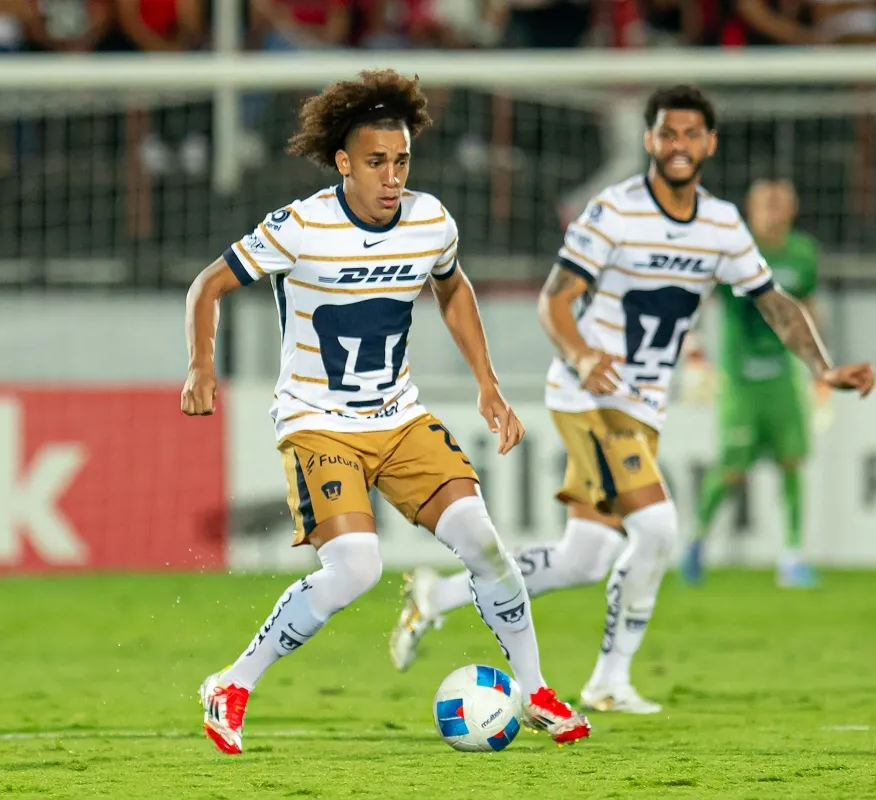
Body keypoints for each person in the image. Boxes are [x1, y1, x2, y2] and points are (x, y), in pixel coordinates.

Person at [389, 85, 875, 714]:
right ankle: (609, 681)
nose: (679, 145)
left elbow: (775, 303)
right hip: (589, 394)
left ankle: (438, 596)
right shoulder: (615, 211)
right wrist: (582, 355)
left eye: (691, 134)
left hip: (643, 404)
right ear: (649, 140)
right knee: (657, 525)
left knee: (584, 558)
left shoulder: (722, 224)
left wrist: (824, 367)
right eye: (667, 133)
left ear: (710, 143)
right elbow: (554, 300)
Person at [182, 69, 591, 755]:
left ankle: (535, 689)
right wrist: (201, 365)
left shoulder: (430, 222)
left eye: (402, 161)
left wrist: (488, 384)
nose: (392, 177)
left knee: (483, 542)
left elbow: (452, 289)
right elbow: (208, 284)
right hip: (317, 421)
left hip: (398, 418)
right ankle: (232, 683)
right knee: (356, 569)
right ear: (344, 163)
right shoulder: (301, 226)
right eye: (377, 162)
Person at [680, 179, 824, 589]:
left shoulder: (803, 253)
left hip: (782, 377)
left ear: (792, 210)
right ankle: (696, 542)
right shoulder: (732, 251)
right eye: (765, 206)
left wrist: (820, 366)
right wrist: (692, 346)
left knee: (791, 462)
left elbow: (808, 306)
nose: (772, 214)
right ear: (751, 210)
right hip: (740, 380)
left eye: (780, 206)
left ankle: (792, 557)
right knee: (730, 469)